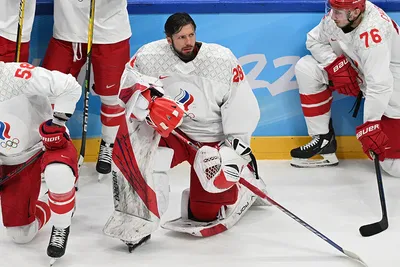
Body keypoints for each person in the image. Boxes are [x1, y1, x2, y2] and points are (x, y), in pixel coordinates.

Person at [105, 12, 270, 250]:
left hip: (211, 138)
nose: (188, 42)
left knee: (204, 213)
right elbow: (126, 87)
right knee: (147, 161)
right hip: (171, 134)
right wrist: (148, 101)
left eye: (191, 35)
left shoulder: (221, 60)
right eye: (181, 37)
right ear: (169, 39)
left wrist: (234, 152)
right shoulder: (149, 56)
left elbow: (242, 107)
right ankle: (141, 220)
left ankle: (243, 181)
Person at [290, 0, 400, 174]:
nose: (332, 16)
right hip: (360, 73)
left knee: (393, 167)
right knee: (307, 68)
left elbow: (380, 85)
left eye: (338, 12)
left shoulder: (372, 33)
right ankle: (323, 141)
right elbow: (313, 41)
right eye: (332, 9)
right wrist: (335, 65)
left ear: (355, 12)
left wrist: (370, 125)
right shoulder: (339, 16)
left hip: (392, 87)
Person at [0, 61, 81, 262]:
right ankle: (51, 201)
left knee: (58, 173)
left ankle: (61, 225)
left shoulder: (14, 76)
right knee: (21, 234)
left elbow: (69, 85)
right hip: (11, 161)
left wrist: (58, 122)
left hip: (43, 145)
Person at [41, 0, 131, 175]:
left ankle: (108, 144)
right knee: (50, 93)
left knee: (112, 96)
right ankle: (54, 146)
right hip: (67, 30)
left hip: (110, 32)